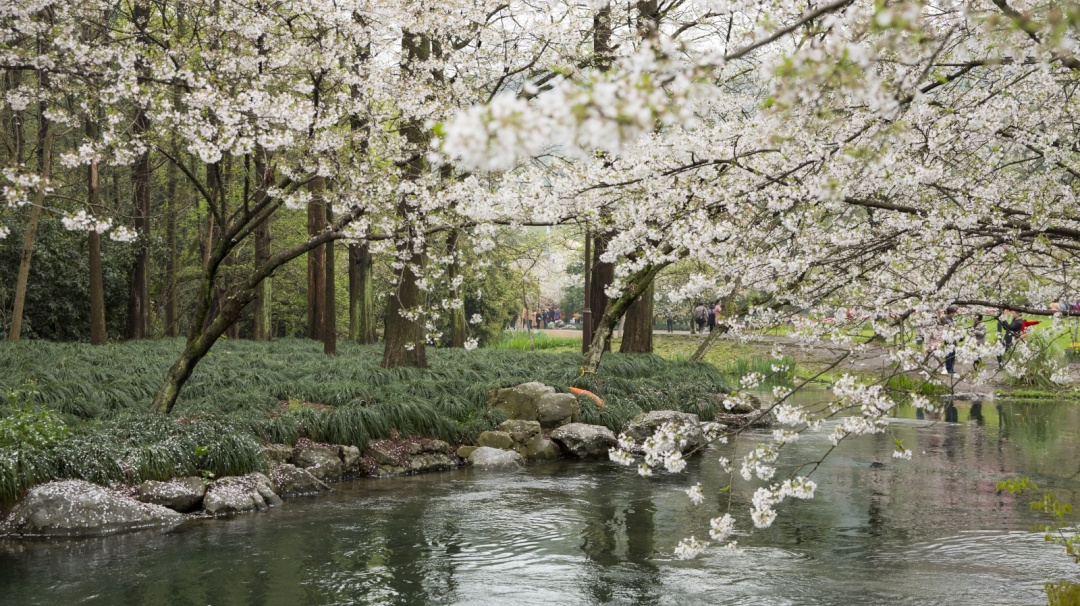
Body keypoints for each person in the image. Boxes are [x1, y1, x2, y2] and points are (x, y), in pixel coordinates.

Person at [939, 306, 959, 376]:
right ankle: (948, 368)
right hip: (947, 338)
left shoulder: (952, 319)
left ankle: (951, 368)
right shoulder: (944, 318)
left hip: (953, 338)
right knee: (948, 353)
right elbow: (950, 326)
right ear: (949, 313)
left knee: (953, 353)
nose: (954, 314)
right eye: (953, 313)